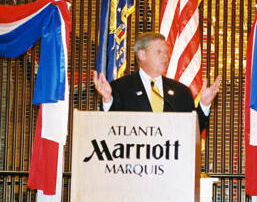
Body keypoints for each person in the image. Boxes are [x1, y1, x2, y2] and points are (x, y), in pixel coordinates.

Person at [93, 32, 221, 131]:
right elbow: (110, 129)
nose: (165, 56)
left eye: (166, 52)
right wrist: (108, 100)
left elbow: (192, 130)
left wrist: (204, 105)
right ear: (141, 55)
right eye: (159, 52)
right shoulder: (120, 88)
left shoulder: (181, 92)